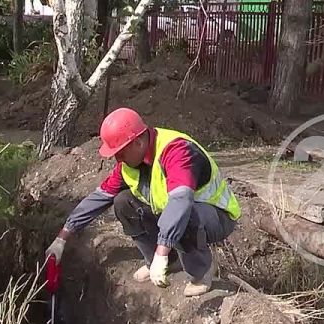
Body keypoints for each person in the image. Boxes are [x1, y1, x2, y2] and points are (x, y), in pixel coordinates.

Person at [45, 108, 241, 297]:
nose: (116, 158)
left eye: (120, 152)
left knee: (183, 212)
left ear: (137, 142)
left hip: (216, 215)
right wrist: (62, 237)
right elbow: (100, 197)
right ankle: (169, 261)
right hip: (176, 213)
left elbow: (181, 201)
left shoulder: (177, 151)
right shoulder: (129, 164)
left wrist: (162, 249)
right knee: (123, 202)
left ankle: (201, 271)